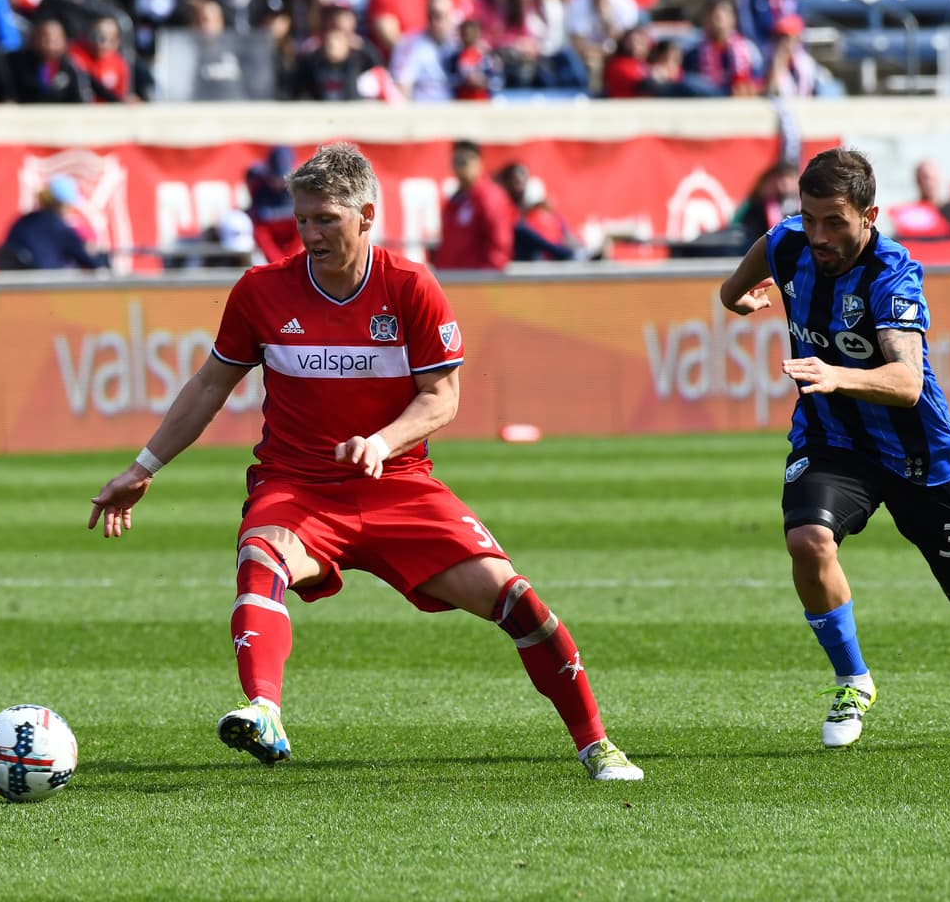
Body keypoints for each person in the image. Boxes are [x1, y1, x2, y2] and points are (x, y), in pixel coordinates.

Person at [87, 141, 643, 782]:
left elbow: (442, 398)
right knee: (259, 558)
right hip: (297, 487)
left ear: (366, 215)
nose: (310, 233)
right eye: (301, 219)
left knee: (516, 600)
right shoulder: (262, 291)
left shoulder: (410, 286)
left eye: (325, 219)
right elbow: (211, 385)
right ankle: (264, 709)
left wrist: (382, 441)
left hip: (399, 486)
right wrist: (145, 466)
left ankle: (598, 745)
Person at [717, 148, 950, 749]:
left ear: (870, 215)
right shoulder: (788, 242)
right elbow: (735, 284)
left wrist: (837, 373)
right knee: (807, 540)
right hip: (832, 439)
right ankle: (852, 678)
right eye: (809, 217)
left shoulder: (893, 274)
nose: (818, 235)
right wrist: (739, 298)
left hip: (919, 454)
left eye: (834, 222)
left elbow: (907, 382)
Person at [435, 138, 513, 271]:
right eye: (456, 161)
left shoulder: (489, 196)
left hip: (475, 281)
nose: (460, 167)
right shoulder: (455, 200)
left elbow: (499, 244)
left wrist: (484, 280)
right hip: (453, 278)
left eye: (464, 161)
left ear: (478, 162)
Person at [0, 174, 104, 269]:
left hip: (16, 288)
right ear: (65, 205)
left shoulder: (22, 222)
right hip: (46, 288)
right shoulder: (59, 228)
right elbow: (91, 262)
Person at [245, 144, 303, 261]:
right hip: (270, 256)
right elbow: (260, 231)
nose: (279, 182)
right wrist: (277, 261)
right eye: (276, 177)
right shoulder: (259, 188)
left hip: (294, 256)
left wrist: (288, 259)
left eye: (283, 178)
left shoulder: (299, 189)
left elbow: (303, 230)